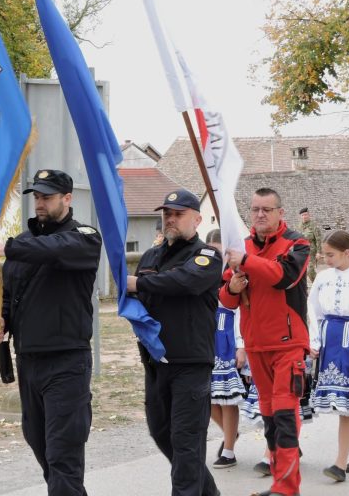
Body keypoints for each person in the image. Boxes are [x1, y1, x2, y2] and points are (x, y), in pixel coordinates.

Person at [0, 169, 102, 495]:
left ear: (67, 199)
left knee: (63, 453)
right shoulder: (24, 243)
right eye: (37, 197)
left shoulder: (84, 237)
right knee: (40, 442)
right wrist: (1, 320)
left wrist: (5, 247)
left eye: (48, 196)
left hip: (67, 363)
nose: (41, 203)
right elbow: (12, 292)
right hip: (28, 361)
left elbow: (54, 250)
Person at [127, 189, 223, 496]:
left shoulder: (207, 256)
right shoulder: (150, 257)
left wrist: (138, 283)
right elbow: (139, 297)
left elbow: (185, 281)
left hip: (190, 365)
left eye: (178, 214)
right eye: (166, 213)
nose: (170, 218)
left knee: (186, 443)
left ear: (196, 219)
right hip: (156, 364)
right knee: (162, 434)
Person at [220, 187, 310, 496]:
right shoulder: (239, 247)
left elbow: (284, 276)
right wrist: (232, 285)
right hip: (256, 346)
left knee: (285, 415)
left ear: (280, 213)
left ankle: (287, 489)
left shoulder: (297, 243)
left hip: (288, 345)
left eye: (266, 210)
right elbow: (226, 299)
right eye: (255, 209)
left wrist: (247, 260)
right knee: (270, 420)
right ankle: (280, 483)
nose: (259, 215)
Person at [307, 230, 349, 482]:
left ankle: (340, 465)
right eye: (324, 253)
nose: (326, 258)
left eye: (331, 254)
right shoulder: (322, 278)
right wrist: (314, 338)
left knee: (347, 405)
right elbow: (313, 309)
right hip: (329, 338)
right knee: (343, 402)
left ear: (347, 252)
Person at [205, 229, 246, 469]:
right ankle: (231, 433)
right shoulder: (201, 271)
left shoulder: (236, 274)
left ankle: (228, 449)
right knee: (207, 396)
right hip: (206, 339)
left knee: (228, 398)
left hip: (229, 338)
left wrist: (241, 345)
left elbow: (240, 311)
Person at [298, 207, 322, 283]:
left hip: (311, 252)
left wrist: (319, 252)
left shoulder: (314, 226)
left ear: (309, 215)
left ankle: (317, 284)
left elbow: (318, 240)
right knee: (301, 272)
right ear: (300, 216)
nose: (304, 216)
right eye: (302, 215)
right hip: (301, 252)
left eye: (306, 215)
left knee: (310, 271)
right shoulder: (299, 226)